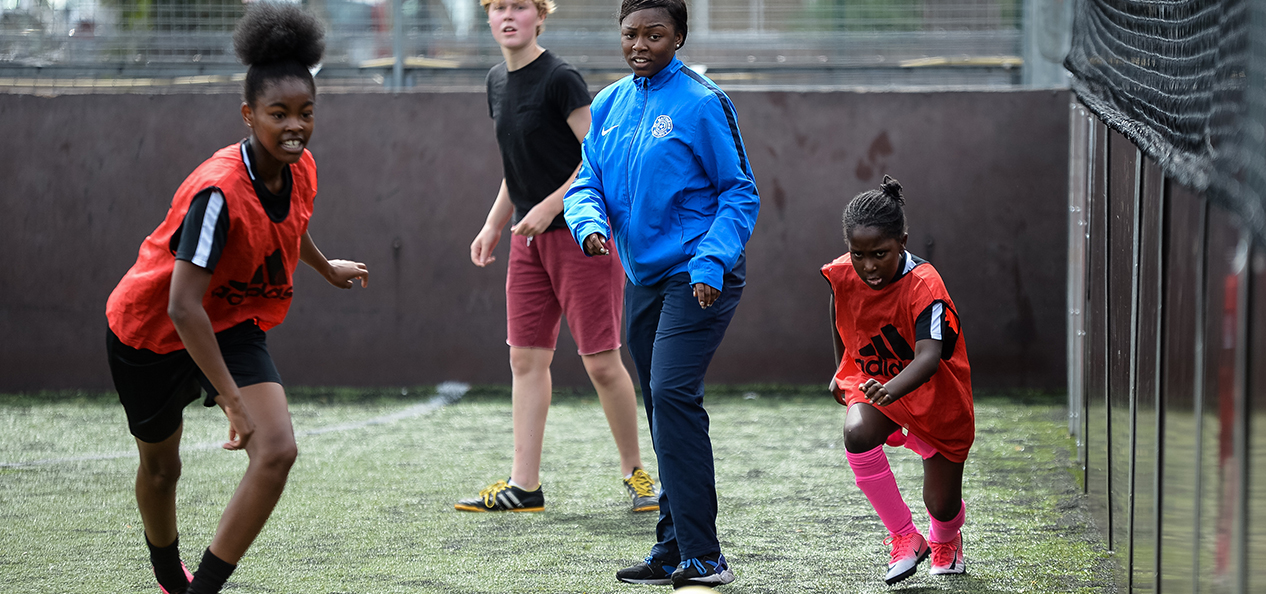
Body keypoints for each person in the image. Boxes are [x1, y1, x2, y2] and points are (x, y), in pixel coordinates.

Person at [103, 5, 369, 593]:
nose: (294, 125)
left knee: (276, 451)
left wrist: (325, 269)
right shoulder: (219, 192)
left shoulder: (302, 169)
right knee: (162, 467)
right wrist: (231, 400)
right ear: (249, 116)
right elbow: (180, 305)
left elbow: (289, 225)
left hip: (229, 318)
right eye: (279, 114)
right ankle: (169, 571)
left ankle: (201, 591)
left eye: (305, 112)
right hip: (151, 332)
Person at [562, 0, 759, 586]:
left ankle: (704, 555)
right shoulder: (610, 103)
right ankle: (673, 548)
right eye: (630, 34)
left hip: (700, 276)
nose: (640, 44)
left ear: (679, 37)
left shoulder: (702, 102)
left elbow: (740, 193)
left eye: (655, 34)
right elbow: (587, 180)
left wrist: (711, 262)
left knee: (671, 395)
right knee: (664, 406)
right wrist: (589, 223)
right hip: (643, 277)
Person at [460, 0, 658, 514]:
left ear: (540, 16)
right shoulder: (495, 82)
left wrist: (552, 206)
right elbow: (518, 166)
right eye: (498, 6)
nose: (508, 15)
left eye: (519, 6)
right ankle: (524, 486)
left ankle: (637, 474)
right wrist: (493, 223)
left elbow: (599, 161)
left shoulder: (560, 79)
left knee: (600, 361)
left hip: (582, 237)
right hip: (529, 244)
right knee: (525, 358)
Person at [822, 175, 974, 585]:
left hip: (936, 396)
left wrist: (889, 390)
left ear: (903, 242)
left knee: (941, 503)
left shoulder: (926, 287)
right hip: (876, 383)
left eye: (880, 254)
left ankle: (945, 539)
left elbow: (929, 357)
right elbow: (840, 307)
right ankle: (905, 537)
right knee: (856, 432)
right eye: (858, 254)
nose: (868, 266)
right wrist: (842, 369)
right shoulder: (844, 273)